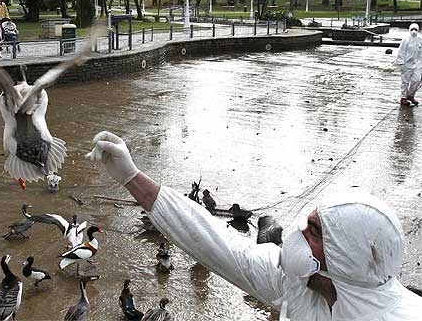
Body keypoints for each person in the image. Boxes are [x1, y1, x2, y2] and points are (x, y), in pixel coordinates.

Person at [85, 131, 422, 320]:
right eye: (308, 224)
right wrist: (132, 177)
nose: (298, 236)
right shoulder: (296, 284)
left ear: (349, 257)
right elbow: (217, 242)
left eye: (315, 232)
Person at [396, 23, 422, 106]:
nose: (414, 31)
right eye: (412, 29)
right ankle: (403, 98)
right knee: (405, 81)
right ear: (409, 30)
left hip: (417, 64)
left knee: (417, 80)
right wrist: (401, 64)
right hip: (407, 64)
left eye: (415, 29)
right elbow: (401, 52)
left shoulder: (420, 39)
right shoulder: (405, 40)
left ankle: (410, 95)